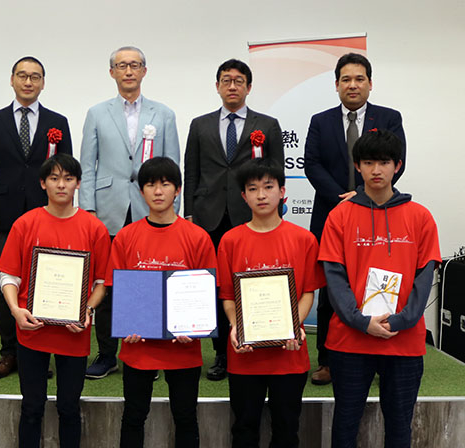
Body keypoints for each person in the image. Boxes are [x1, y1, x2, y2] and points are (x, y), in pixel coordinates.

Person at [318, 130, 440, 447]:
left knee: (400, 428)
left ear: (397, 165)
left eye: (384, 162)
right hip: (349, 340)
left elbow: (424, 278)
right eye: (368, 162)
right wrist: (361, 321)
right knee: (345, 424)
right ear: (357, 166)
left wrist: (399, 321)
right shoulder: (339, 216)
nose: (376, 170)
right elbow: (335, 277)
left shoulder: (421, 217)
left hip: (404, 342)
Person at [304, 52, 407, 386]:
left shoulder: (389, 117)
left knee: (373, 281)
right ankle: (327, 361)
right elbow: (312, 164)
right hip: (331, 214)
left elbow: (396, 160)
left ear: (370, 83)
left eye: (359, 78)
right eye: (346, 79)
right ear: (336, 85)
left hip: (378, 215)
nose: (352, 85)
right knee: (330, 284)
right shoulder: (320, 121)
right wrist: (343, 198)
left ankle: (375, 356)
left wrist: (363, 197)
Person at [80, 46, 180, 379]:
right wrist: (88, 210)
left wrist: (173, 211)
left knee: (150, 281)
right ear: (112, 72)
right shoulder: (97, 112)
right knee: (106, 283)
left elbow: (172, 165)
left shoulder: (163, 114)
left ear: (144, 71)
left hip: (150, 208)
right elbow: (88, 165)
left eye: (134, 65)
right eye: (121, 65)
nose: (128, 71)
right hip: (107, 208)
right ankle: (107, 354)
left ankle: (148, 352)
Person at [0, 153, 110, 447]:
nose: (62, 185)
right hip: (32, 330)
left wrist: (87, 309)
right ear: (43, 183)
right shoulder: (25, 223)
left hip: (74, 332)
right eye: (54, 178)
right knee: (32, 408)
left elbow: (101, 282)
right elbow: (8, 277)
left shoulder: (94, 228)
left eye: (68, 179)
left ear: (78, 184)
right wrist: (15, 310)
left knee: (69, 408)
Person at [105, 157, 217, 448]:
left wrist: (196, 327)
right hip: (138, 346)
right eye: (151, 184)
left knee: (185, 416)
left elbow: (207, 292)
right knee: (133, 415)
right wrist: (127, 323)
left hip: (183, 346)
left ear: (177, 189)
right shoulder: (126, 237)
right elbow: (117, 289)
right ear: (141, 191)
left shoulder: (197, 237)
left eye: (165, 184)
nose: (158, 191)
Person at [184, 58, 284, 381]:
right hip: (208, 216)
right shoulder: (200, 125)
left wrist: (274, 214)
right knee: (214, 287)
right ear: (217, 86)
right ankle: (220, 353)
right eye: (226, 80)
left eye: (238, 81)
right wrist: (189, 213)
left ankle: (256, 337)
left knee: (248, 282)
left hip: (250, 215)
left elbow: (276, 173)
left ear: (249, 87)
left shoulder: (267, 125)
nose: (232, 86)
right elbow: (192, 170)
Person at [0, 56, 73, 379]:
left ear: (43, 82)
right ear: (12, 80)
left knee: (44, 282)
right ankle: (9, 353)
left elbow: (67, 173)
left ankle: (39, 352)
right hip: (4, 217)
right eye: (22, 76)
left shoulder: (58, 122)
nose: (28, 82)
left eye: (35, 77)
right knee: (8, 285)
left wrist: (68, 214)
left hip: (47, 216)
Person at [217, 158, 325, 447]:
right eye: (253, 189)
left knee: (287, 430)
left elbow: (307, 293)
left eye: (268, 187)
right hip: (244, 354)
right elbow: (228, 295)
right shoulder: (229, 241)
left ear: (282, 192)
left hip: (289, 355)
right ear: (243, 196)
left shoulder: (304, 240)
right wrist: (236, 325)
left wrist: (293, 326)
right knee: (243, 428)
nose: (261, 195)